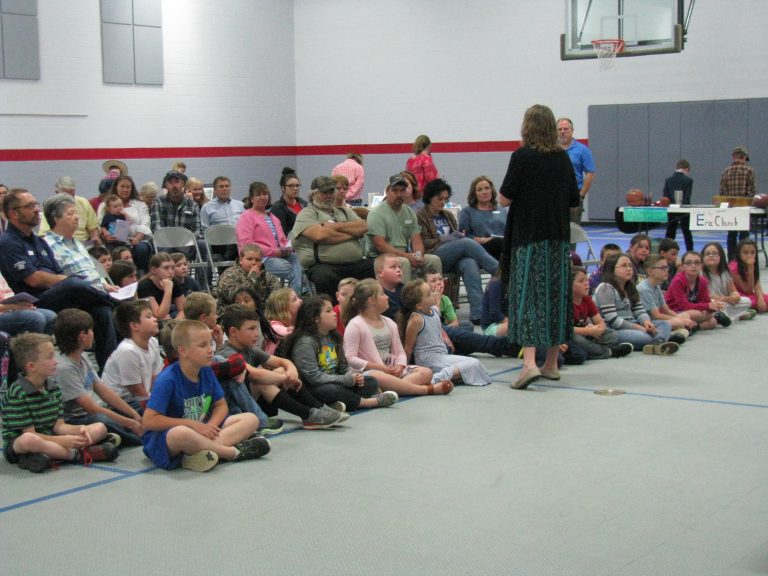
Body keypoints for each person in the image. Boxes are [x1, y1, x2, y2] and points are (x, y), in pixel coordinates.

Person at [500, 105, 580, 389]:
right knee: (555, 297)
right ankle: (551, 363)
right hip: (557, 239)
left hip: (528, 237)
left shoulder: (522, 156)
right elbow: (574, 200)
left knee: (527, 297)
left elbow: (505, 198)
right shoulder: (562, 158)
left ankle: (529, 363)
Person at [0, 189, 118, 369]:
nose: (36, 209)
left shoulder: (39, 242)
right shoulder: (8, 242)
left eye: (36, 204)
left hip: (56, 294)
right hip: (34, 299)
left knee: (102, 310)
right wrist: (66, 280)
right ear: (13, 213)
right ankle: (116, 303)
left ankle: (110, 371)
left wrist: (65, 280)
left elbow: (57, 272)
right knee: (74, 283)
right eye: (30, 206)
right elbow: (33, 279)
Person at [141, 320, 269, 473]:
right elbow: (149, 421)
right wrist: (192, 425)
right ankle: (232, 453)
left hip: (201, 430)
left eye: (210, 343)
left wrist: (211, 426)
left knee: (251, 419)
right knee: (181, 433)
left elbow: (221, 405)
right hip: (169, 438)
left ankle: (198, 454)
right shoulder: (168, 379)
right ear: (183, 351)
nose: (210, 350)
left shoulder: (206, 371)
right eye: (203, 346)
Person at [2, 333, 117, 473]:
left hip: (51, 437)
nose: (55, 361)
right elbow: (31, 434)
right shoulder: (17, 392)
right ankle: (76, 455)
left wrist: (79, 430)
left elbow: (59, 426)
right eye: (50, 357)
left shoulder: (54, 386)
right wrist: (64, 441)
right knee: (29, 440)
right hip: (22, 443)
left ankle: (47, 456)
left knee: (100, 427)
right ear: (32, 366)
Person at [218, 305, 345, 429]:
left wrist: (290, 372)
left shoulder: (249, 350)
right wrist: (286, 378)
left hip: (258, 402)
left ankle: (318, 408)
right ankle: (308, 415)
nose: (257, 334)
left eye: (257, 328)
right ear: (233, 332)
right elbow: (255, 374)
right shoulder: (227, 353)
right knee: (262, 382)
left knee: (282, 370)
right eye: (251, 329)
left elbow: (283, 361)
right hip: (239, 407)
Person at [285, 295, 398, 411]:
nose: (334, 313)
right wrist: (345, 380)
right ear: (315, 318)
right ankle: (369, 402)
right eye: (328, 311)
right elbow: (314, 378)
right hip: (315, 388)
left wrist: (353, 376)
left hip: (337, 382)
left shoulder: (332, 337)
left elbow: (343, 367)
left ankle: (337, 404)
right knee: (331, 390)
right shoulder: (305, 343)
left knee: (371, 382)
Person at [342, 279, 450, 396]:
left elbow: (400, 352)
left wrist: (400, 365)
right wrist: (379, 367)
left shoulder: (390, 323)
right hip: (368, 373)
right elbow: (351, 358)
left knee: (426, 372)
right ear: (371, 300)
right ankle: (427, 390)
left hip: (390, 369)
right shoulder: (355, 325)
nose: (387, 297)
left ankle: (390, 389)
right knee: (377, 376)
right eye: (382, 294)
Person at [54, 309, 144, 446]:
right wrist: (130, 423)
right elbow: (91, 408)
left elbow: (103, 390)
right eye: (91, 330)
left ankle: (115, 436)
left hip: (93, 411)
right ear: (82, 335)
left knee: (134, 404)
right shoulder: (65, 368)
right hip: (76, 419)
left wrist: (133, 414)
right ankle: (142, 439)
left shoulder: (83, 356)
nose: (93, 334)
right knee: (103, 420)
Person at [417, 178, 498, 324]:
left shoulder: (447, 215)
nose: (443, 202)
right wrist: (445, 239)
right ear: (430, 197)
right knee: (466, 243)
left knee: (469, 263)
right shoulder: (420, 216)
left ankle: (478, 313)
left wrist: (455, 237)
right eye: (440, 199)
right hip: (434, 254)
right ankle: (500, 271)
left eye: (445, 199)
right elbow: (423, 243)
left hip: (452, 256)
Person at [290, 176, 374, 300]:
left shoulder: (344, 212)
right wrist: (352, 234)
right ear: (313, 194)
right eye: (325, 193)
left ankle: (373, 307)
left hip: (354, 263)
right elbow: (320, 235)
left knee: (378, 266)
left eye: (331, 192)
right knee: (323, 277)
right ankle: (331, 308)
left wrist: (334, 226)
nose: (329, 196)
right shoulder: (307, 213)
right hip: (324, 266)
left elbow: (363, 226)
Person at [400, 279, 491, 386]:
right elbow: (408, 348)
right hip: (428, 360)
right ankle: (434, 380)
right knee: (473, 363)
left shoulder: (433, 310)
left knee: (475, 364)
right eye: (429, 294)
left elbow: (437, 302)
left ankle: (444, 375)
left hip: (441, 355)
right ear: (419, 305)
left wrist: (438, 293)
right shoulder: (416, 319)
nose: (433, 294)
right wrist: (403, 370)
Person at [593, 254, 679, 355]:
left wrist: (646, 322)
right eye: (624, 266)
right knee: (644, 337)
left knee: (665, 324)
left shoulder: (631, 287)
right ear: (612, 269)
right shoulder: (605, 288)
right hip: (613, 330)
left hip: (633, 324)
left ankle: (657, 343)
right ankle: (661, 339)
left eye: (630, 265)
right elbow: (613, 320)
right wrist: (639, 328)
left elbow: (640, 310)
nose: (629, 268)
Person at [237, 180, 309, 296]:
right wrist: (274, 251)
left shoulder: (273, 217)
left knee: (302, 262)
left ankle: (300, 294)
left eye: (265, 194)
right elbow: (247, 245)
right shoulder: (246, 217)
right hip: (261, 257)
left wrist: (287, 247)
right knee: (292, 271)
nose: (263, 197)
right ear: (251, 199)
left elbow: (283, 240)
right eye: (258, 194)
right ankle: (297, 297)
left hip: (280, 254)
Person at [366, 174, 441, 283]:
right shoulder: (376, 213)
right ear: (387, 191)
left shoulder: (409, 212)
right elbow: (380, 245)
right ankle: (405, 294)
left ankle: (434, 293)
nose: (399, 194)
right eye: (395, 190)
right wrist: (407, 256)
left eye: (402, 190)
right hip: (380, 257)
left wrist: (418, 256)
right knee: (403, 262)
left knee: (434, 260)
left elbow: (416, 240)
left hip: (404, 255)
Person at [101, 300, 163, 413]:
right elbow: (136, 390)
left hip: (143, 397)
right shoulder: (127, 350)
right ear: (134, 325)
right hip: (123, 401)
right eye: (149, 317)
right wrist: (157, 405)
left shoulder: (153, 342)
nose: (155, 319)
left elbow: (156, 378)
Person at [570, 267, 634, 360]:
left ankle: (592, 351)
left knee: (611, 334)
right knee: (576, 339)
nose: (586, 283)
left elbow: (601, 323)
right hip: (572, 335)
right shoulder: (566, 303)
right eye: (581, 281)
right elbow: (566, 330)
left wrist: (597, 329)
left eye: (586, 280)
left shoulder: (587, 300)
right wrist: (588, 331)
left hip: (586, 334)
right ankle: (608, 352)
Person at [97, 175, 154, 273]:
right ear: (116, 187)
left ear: (132, 188)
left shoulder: (140, 204)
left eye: (128, 187)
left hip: (136, 240)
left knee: (141, 249)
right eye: (122, 186)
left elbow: (146, 223)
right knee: (112, 251)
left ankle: (141, 273)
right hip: (113, 240)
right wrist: (106, 236)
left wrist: (137, 238)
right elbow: (100, 224)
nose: (125, 189)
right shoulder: (105, 205)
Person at [665, 251, 731, 330]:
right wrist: (708, 306)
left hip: (694, 311)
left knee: (712, 322)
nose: (693, 266)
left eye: (697, 263)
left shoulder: (703, 281)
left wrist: (714, 306)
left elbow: (706, 301)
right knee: (696, 313)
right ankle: (702, 320)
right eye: (689, 263)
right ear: (683, 266)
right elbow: (684, 306)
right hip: (676, 312)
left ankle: (695, 327)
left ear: (701, 266)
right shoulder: (678, 280)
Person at [151, 170, 206, 263]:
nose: (174, 185)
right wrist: (172, 240)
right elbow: (156, 227)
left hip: (187, 244)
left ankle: (202, 273)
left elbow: (197, 230)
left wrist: (184, 241)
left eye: (177, 182)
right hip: (165, 244)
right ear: (166, 185)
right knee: (163, 247)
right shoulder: (158, 202)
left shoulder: (193, 205)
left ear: (183, 184)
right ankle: (166, 271)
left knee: (202, 244)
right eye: (170, 182)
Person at [636, 254, 697, 338]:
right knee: (678, 322)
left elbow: (666, 310)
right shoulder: (644, 289)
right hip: (648, 322)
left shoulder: (656, 286)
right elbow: (656, 316)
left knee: (685, 316)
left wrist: (681, 318)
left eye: (666, 267)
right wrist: (680, 320)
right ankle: (671, 334)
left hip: (656, 320)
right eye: (662, 268)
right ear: (650, 271)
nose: (666, 271)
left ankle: (677, 332)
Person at [216, 243, 281, 314]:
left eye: (257, 260)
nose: (254, 263)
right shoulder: (228, 275)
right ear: (241, 260)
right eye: (249, 259)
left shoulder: (267, 275)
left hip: (260, 315)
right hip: (232, 315)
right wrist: (253, 276)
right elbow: (240, 297)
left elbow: (277, 295)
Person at [37, 177, 101, 246]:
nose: (69, 197)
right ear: (57, 192)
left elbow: (93, 228)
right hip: (60, 243)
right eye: (65, 194)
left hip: (84, 242)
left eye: (72, 193)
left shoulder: (83, 202)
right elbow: (44, 235)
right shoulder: (51, 206)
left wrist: (95, 238)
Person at [701, 241, 755, 321]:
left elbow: (733, 291)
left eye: (714, 253)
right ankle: (735, 316)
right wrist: (727, 299)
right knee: (714, 304)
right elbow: (707, 296)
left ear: (721, 256)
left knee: (747, 301)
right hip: (712, 302)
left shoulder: (725, 272)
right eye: (707, 254)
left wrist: (735, 296)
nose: (711, 255)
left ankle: (726, 316)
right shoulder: (701, 274)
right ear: (702, 257)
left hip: (724, 303)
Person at [458, 176, 508, 260]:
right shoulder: (467, 212)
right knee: (496, 243)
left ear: (491, 190)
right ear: (474, 193)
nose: (484, 192)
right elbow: (463, 236)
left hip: (503, 245)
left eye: (487, 188)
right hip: (481, 247)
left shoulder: (502, 210)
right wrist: (482, 239)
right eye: (480, 190)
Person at [557, 117, 595, 227]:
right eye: (560, 129)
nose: (562, 132)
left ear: (572, 130)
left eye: (566, 129)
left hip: (574, 195)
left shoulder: (582, 150)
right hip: (555, 196)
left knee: (573, 229)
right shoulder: (551, 149)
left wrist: (581, 195)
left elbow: (590, 173)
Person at [719, 146, 756, 259]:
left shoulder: (726, 171)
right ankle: (743, 258)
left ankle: (731, 259)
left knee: (731, 235)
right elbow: (751, 191)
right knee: (744, 235)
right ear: (744, 157)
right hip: (744, 208)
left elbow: (722, 192)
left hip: (730, 208)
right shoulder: (749, 170)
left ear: (733, 157)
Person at [200, 176, 243, 261]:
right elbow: (205, 230)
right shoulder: (207, 207)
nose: (224, 189)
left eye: (227, 186)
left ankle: (224, 261)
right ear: (215, 190)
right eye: (221, 186)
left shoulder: (241, 205)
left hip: (238, 241)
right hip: (218, 242)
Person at [138, 252, 186, 320]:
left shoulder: (173, 281)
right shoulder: (144, 286)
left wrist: (175, 323)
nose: (170, 272)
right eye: (166, 268)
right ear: (154, 270)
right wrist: (168, 290)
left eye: (172, 268)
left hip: (169, 317)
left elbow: (183, 310)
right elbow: (159, 315)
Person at [728, 238, 768, 313]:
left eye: (752, 253)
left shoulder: (753, 264)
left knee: (763, 300)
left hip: (749, 295)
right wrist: (750, 271)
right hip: (738, 295)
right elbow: (747, 290)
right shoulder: (733, 267)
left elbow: (757, 285)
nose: (749, 255)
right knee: (749, 302)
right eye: (745, 253)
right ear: (739, 254)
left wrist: (760, 299)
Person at [663, 159, 694, 251]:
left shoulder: (668, 180)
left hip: (671, 209)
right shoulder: (688, 180)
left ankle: (666, 250)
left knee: (670, 232)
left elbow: (665, 196)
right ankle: (690, 251)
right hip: (684, 209)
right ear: (687, 169)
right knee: (687, 233)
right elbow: (687, 198)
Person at [269, 167, 307, 236]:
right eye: (291, 186)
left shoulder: (304, 204)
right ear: (283, 188)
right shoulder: (277, 208)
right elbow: (281, 233)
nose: (295, 188)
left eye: (297, 185)